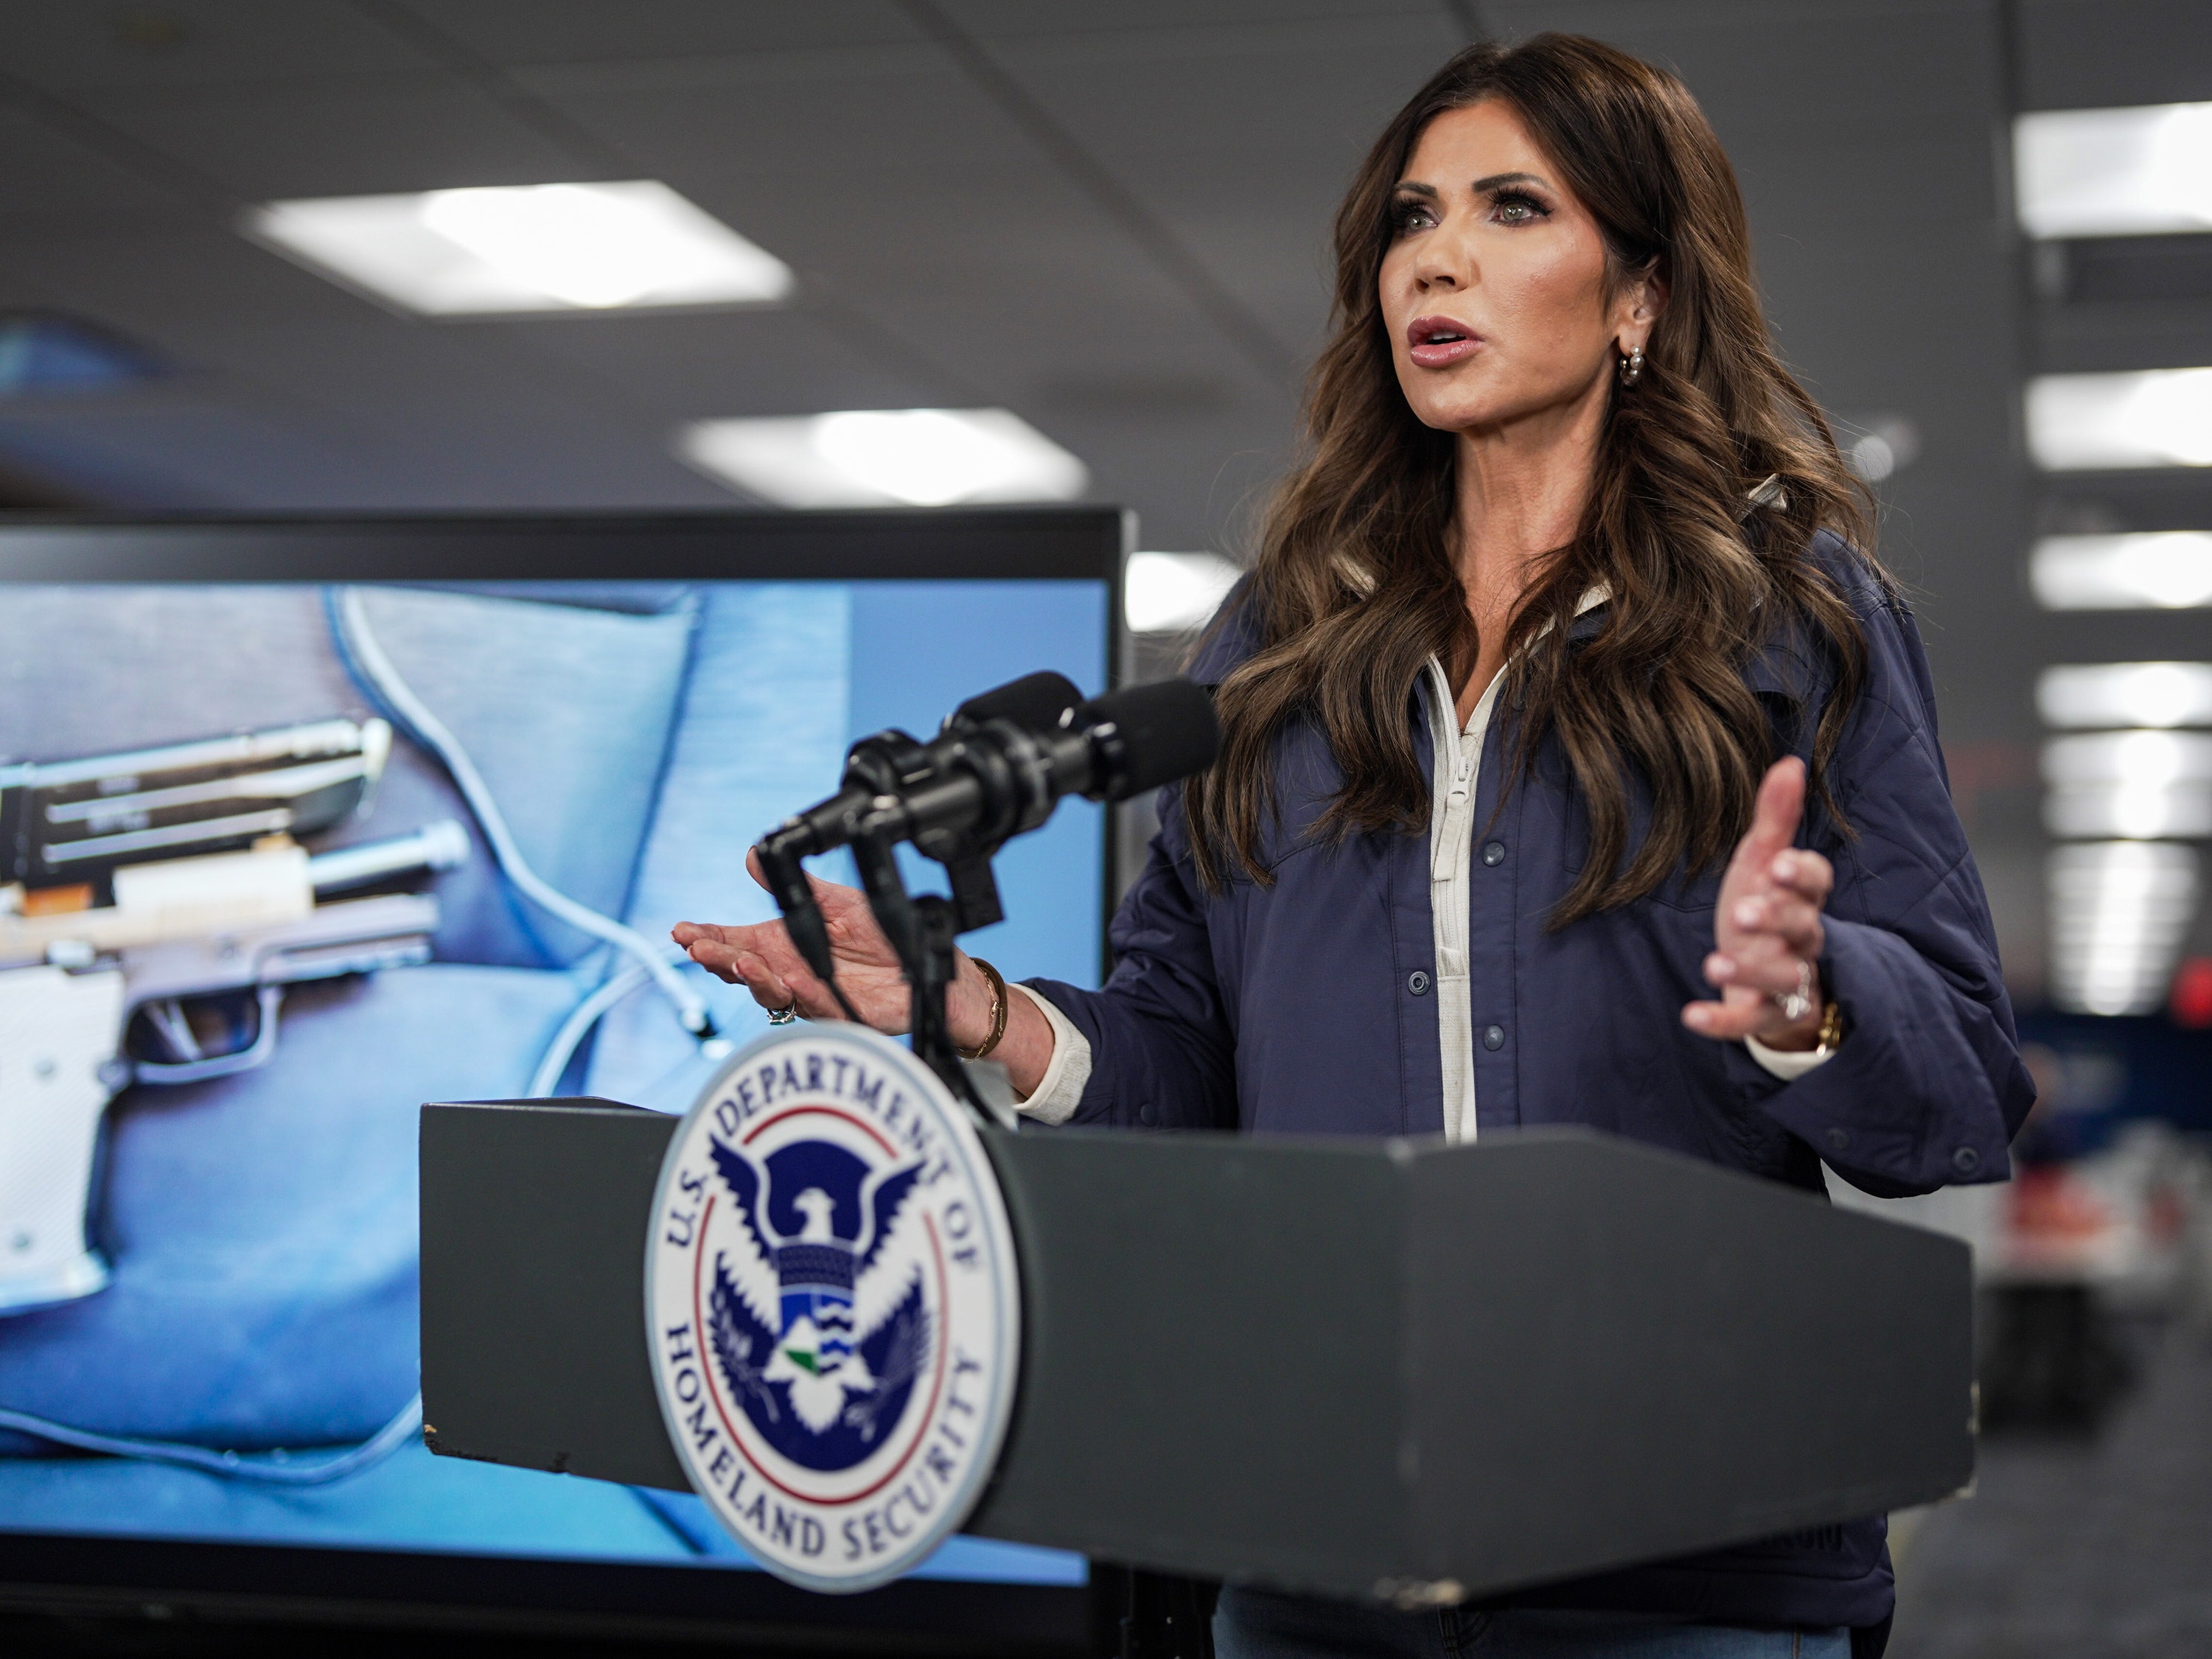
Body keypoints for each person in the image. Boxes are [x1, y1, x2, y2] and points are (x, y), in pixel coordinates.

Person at [675, 32, 2033, 1659]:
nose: (1436, 258)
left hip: (1689, 1563)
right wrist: (985, 1016)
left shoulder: (1791, 626)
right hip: (1319, 1558)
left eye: (1513, 208)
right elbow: (1186, 1065)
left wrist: (1805, 993)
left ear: (1640, 298)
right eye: (1408, 218)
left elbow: (1957, 1092)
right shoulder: (1278, 646)